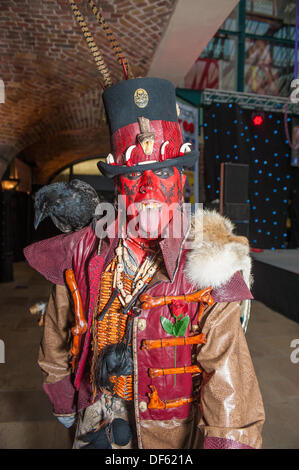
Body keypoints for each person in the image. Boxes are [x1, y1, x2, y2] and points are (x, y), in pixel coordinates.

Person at [24, 75, 265, 449]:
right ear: (119, 185)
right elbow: (58, 327)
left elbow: (228, 374)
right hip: (96, 418)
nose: (149, 189)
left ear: (181, 180)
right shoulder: (83, 249)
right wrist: (61, 392)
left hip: (167, 434)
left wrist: (229, 440)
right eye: (134, 174)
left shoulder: (207, 263)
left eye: (163, 171)